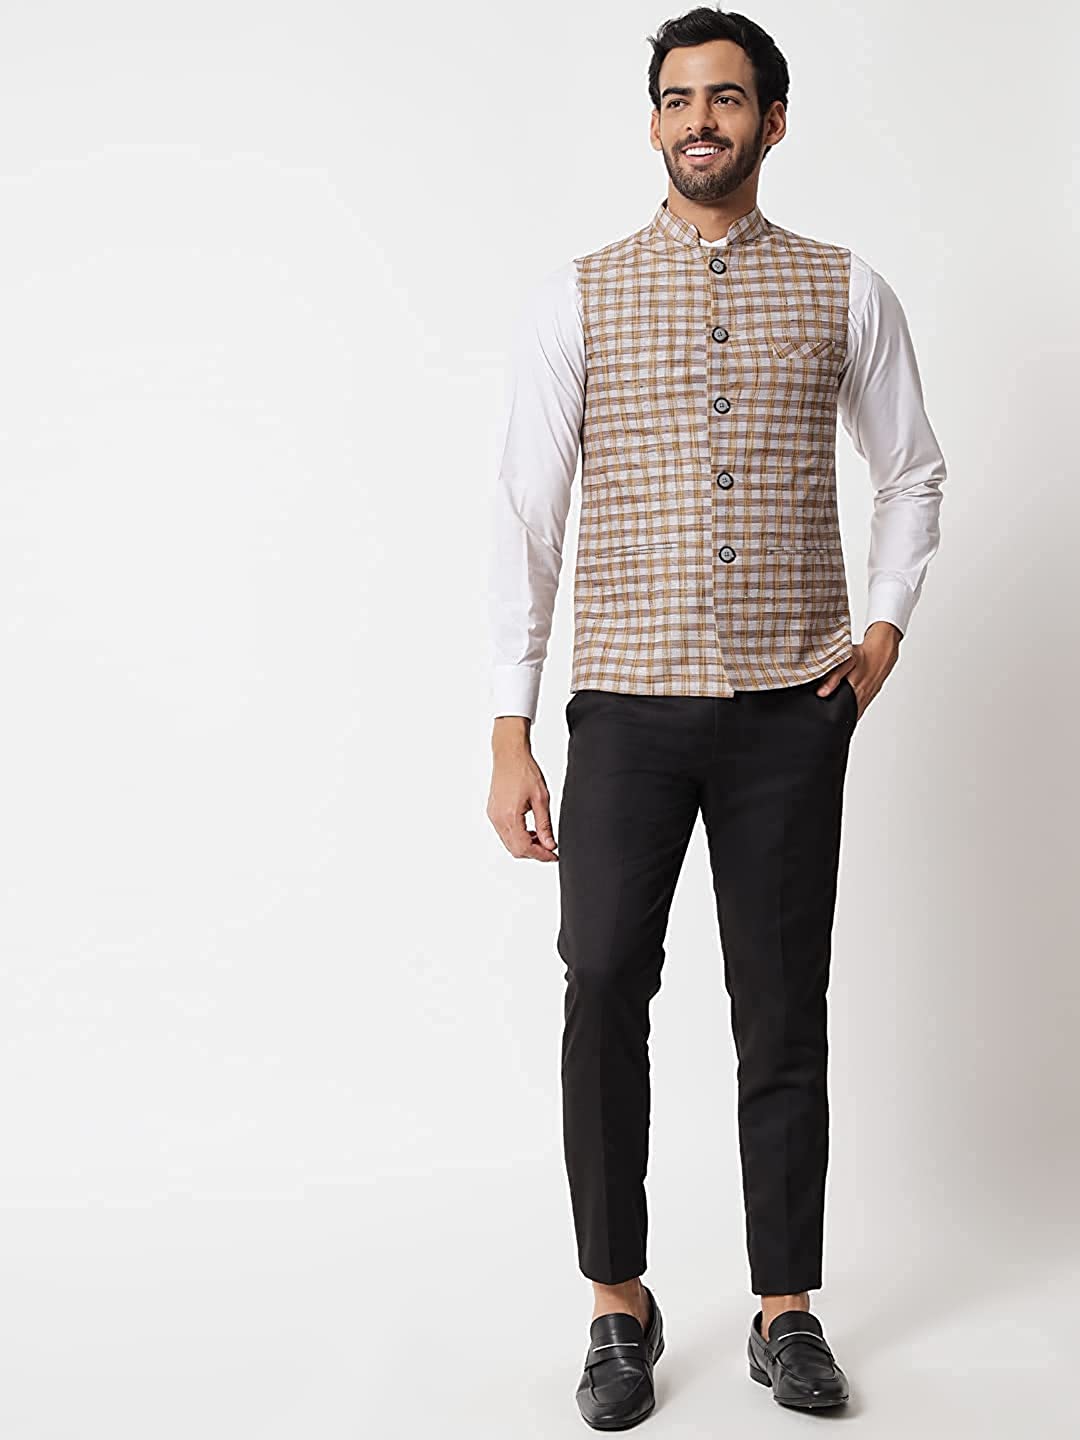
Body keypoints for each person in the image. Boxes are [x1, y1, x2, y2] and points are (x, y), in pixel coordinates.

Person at [486, 6, 946, 1427]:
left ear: (773, 120)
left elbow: (912, 471)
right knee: (603, 988)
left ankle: (784, 1307)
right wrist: (509, 724)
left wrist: (880, 637)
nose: (703, 119)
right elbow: (527, 515)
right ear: (653, 122)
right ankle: (617, 1305)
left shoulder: (849, 289)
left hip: (788, 714)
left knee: (783, 1006)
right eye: (680, 97)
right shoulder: (576, 296)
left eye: (729, 98)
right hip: (625, 711)